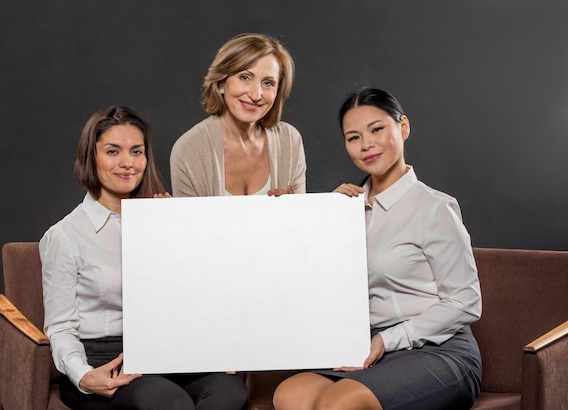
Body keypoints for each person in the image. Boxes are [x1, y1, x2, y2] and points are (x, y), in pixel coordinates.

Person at [273, 88, 482, 410]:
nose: (366, 144)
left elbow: (467, 302)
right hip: (362, 344)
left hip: (435, 348)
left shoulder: (434, 208)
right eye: (353, 137)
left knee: (338, 403)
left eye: (377, 129)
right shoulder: (343, 209)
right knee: (289, 395)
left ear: (403, 127)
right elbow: (315, 284)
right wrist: (302, 218)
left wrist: (386, 340)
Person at [39, 106, 247, 410]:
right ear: (91, 157)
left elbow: (192, 295)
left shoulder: (160, 221)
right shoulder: (66, 235)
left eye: (136, 151)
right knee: (170, 403)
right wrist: (83, 376)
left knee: (229, 390)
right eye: (113, 151)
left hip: (164, 353)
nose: (127, 163)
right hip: (105, 360)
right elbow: (60, 327)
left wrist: (175, 233)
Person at [170, 32, 306, 197]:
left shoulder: (289, 141)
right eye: (245, 77)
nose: (256, 95)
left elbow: (300, 221)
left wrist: (322, 205)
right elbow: (189, 223)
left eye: (268, 83)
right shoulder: (189, 150)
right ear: (221, 82)